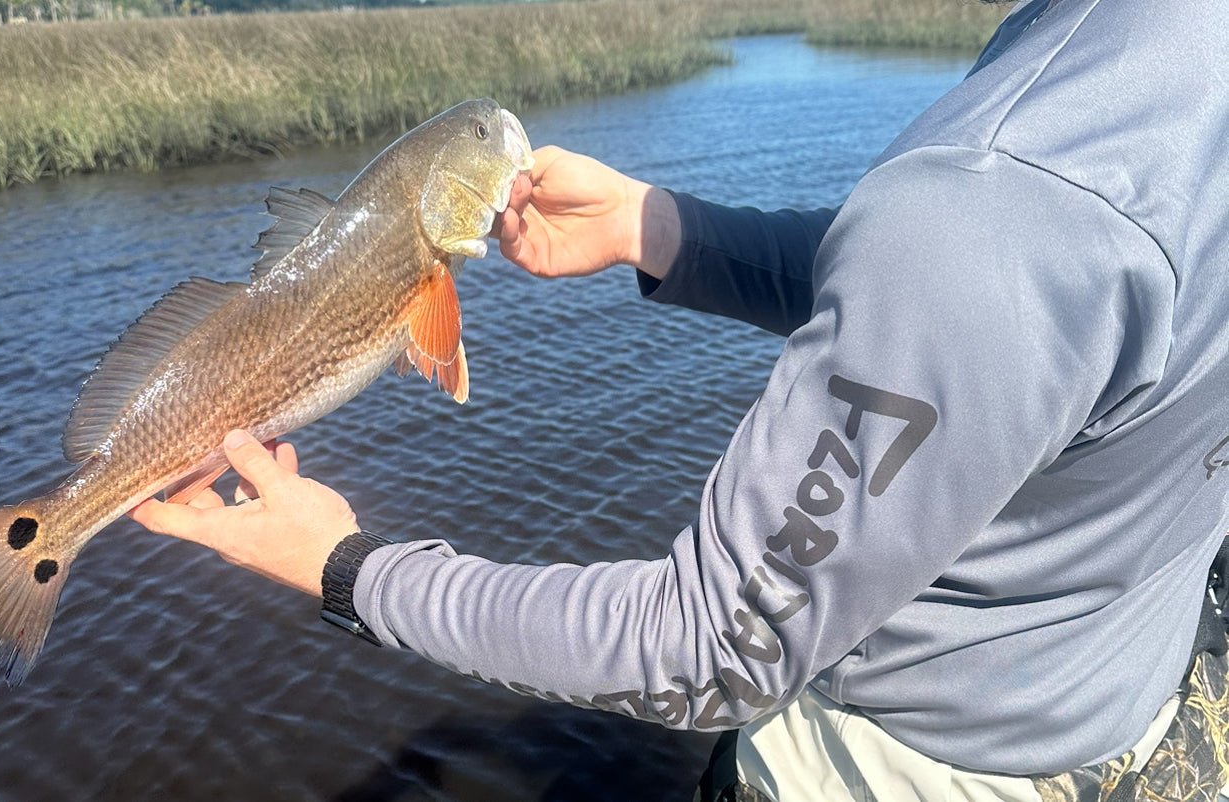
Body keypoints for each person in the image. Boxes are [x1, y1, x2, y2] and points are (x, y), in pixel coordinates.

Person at [130, 0, 1229, 799]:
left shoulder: (1006, 196)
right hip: (1141, 699)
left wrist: (349, 569)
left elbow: (707, 649)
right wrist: (663, 230)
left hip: (910, 767)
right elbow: (1013, 315)